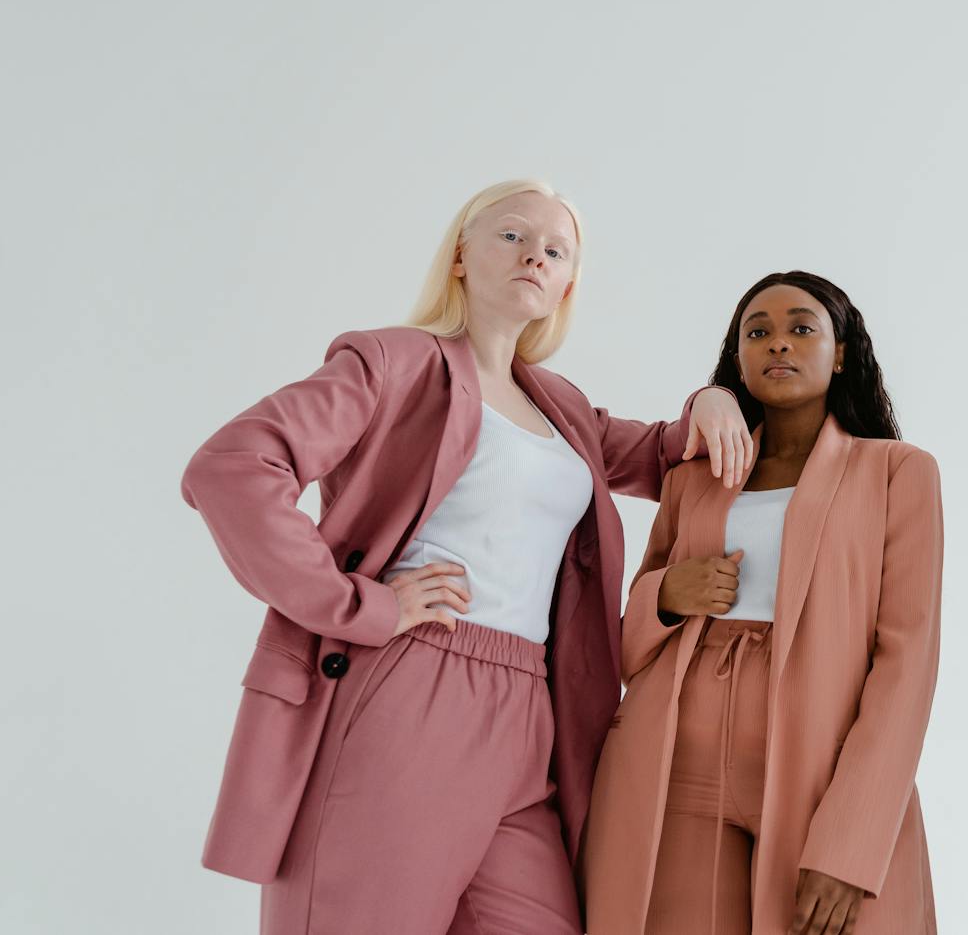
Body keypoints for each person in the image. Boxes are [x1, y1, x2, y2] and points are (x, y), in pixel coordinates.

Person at [181, 178, 753, 934]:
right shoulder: (393, 363)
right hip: (413, 679)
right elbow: (233, 466)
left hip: (532, 710)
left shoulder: (562, 407)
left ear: (566, 286)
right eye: (512, 235)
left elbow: (662, 451)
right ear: (461, 254)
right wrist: (360, 604)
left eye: (556, 249)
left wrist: (712, 399)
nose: (534, 256)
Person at [582, 271, 943, 935]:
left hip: (818, 765)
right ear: (738, 360)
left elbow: (906, 663)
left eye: (801, 327)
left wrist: (852, 845)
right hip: (675, 768)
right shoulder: (693, 477)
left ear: (840, 351)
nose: (779, 343)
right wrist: (666, 594)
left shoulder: (897, 472)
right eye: (759, 332)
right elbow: (627, 648)